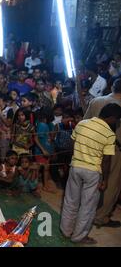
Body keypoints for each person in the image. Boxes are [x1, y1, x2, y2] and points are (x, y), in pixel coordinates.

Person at [60, 104, 121, 244]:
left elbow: (71, 144)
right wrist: (105, 179)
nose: (116, 123)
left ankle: (66, 231)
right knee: (87, 206)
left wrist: (73, 162)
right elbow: (106, 160)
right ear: (111, 118)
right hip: (92, 172)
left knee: (70, 200)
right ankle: (79, 236)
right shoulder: (109, 134)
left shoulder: (82, 123)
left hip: (75, 167)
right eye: (117, 120)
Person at [83, 78, 121, 228]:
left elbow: (84, 121)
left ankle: (85, 212)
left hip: (91, 146)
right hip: (115, 149)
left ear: (112, 87)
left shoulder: (96, 101)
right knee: (111, 183)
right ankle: (100, 216)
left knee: (91, 180)